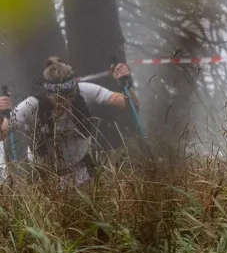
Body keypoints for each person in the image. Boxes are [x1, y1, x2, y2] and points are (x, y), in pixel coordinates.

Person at [0, 58, 132, 185]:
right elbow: (3, 132)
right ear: (49, 94)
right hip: (45, 177)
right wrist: (2, 115)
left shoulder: (83, 91)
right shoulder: (32, 105)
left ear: (74, 89)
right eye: (59, 99)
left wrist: (125, 83)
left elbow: (129, 104)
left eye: (69, 96)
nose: (65, 103)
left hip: (83, 170)